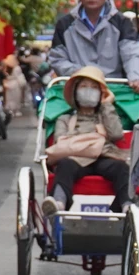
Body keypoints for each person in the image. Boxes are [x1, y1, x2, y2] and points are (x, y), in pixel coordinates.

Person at [40, 66, 131, 216]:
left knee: (122, 168)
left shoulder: (106, 116)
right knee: (65, 164)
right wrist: (95, 140)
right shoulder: (65, 119)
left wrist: (107, 104)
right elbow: (61, 144)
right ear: (75, 92)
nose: (89, 90)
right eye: (83, 86)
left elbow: (116, 134)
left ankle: (127, 206)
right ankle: (59, 203)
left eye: (94, 87)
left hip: (104, 159)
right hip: (76, 161)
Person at [49, 0, 139, 90]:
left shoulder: (122, 22)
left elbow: (132, 55)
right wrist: (84, 74)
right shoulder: (64, 24)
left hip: (115, 90)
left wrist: (136, 78)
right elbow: (57, 59)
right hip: (76, 90)